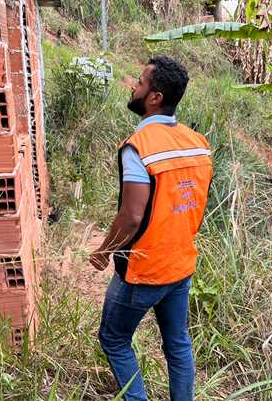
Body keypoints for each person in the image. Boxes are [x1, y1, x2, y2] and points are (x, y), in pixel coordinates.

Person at [89, 56, 213, 401]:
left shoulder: (138, 147)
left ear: (155, 96)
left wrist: (103, 252)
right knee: (177, 342)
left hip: (143, 269)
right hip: (181, 263)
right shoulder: (197, 143)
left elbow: (131, 216)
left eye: (140, 82)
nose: (134, 86)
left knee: (114, 339)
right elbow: (196, 207)